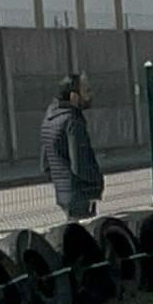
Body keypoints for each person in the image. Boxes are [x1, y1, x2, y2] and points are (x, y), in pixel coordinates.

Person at [39, 74, 105, 219]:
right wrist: (97, 182)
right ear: (74, 96)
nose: (90, 95)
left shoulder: (50, 118)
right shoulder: (73, 121)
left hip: (63, 193)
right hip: (81, 193)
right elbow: (80, 164)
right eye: (86, 91)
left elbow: (45, 164)